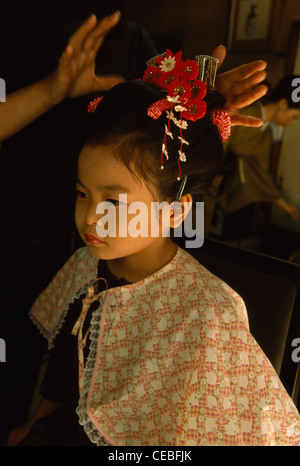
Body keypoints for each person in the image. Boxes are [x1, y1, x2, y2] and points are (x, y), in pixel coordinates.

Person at [8, 51, 299, 446]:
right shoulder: (86, 265)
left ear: (176, 210)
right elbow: (62, 378)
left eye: (113, 203)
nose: (91, 218)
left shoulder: (208, 313)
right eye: (81, 193)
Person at [210, 75, 300, 238]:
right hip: (204, 175)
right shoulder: (246, 111)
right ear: (283, 103)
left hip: (214, 184)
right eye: (294, 117)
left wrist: (281, 203)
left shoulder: (266, 136)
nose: (291, 123)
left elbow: (259, 170)